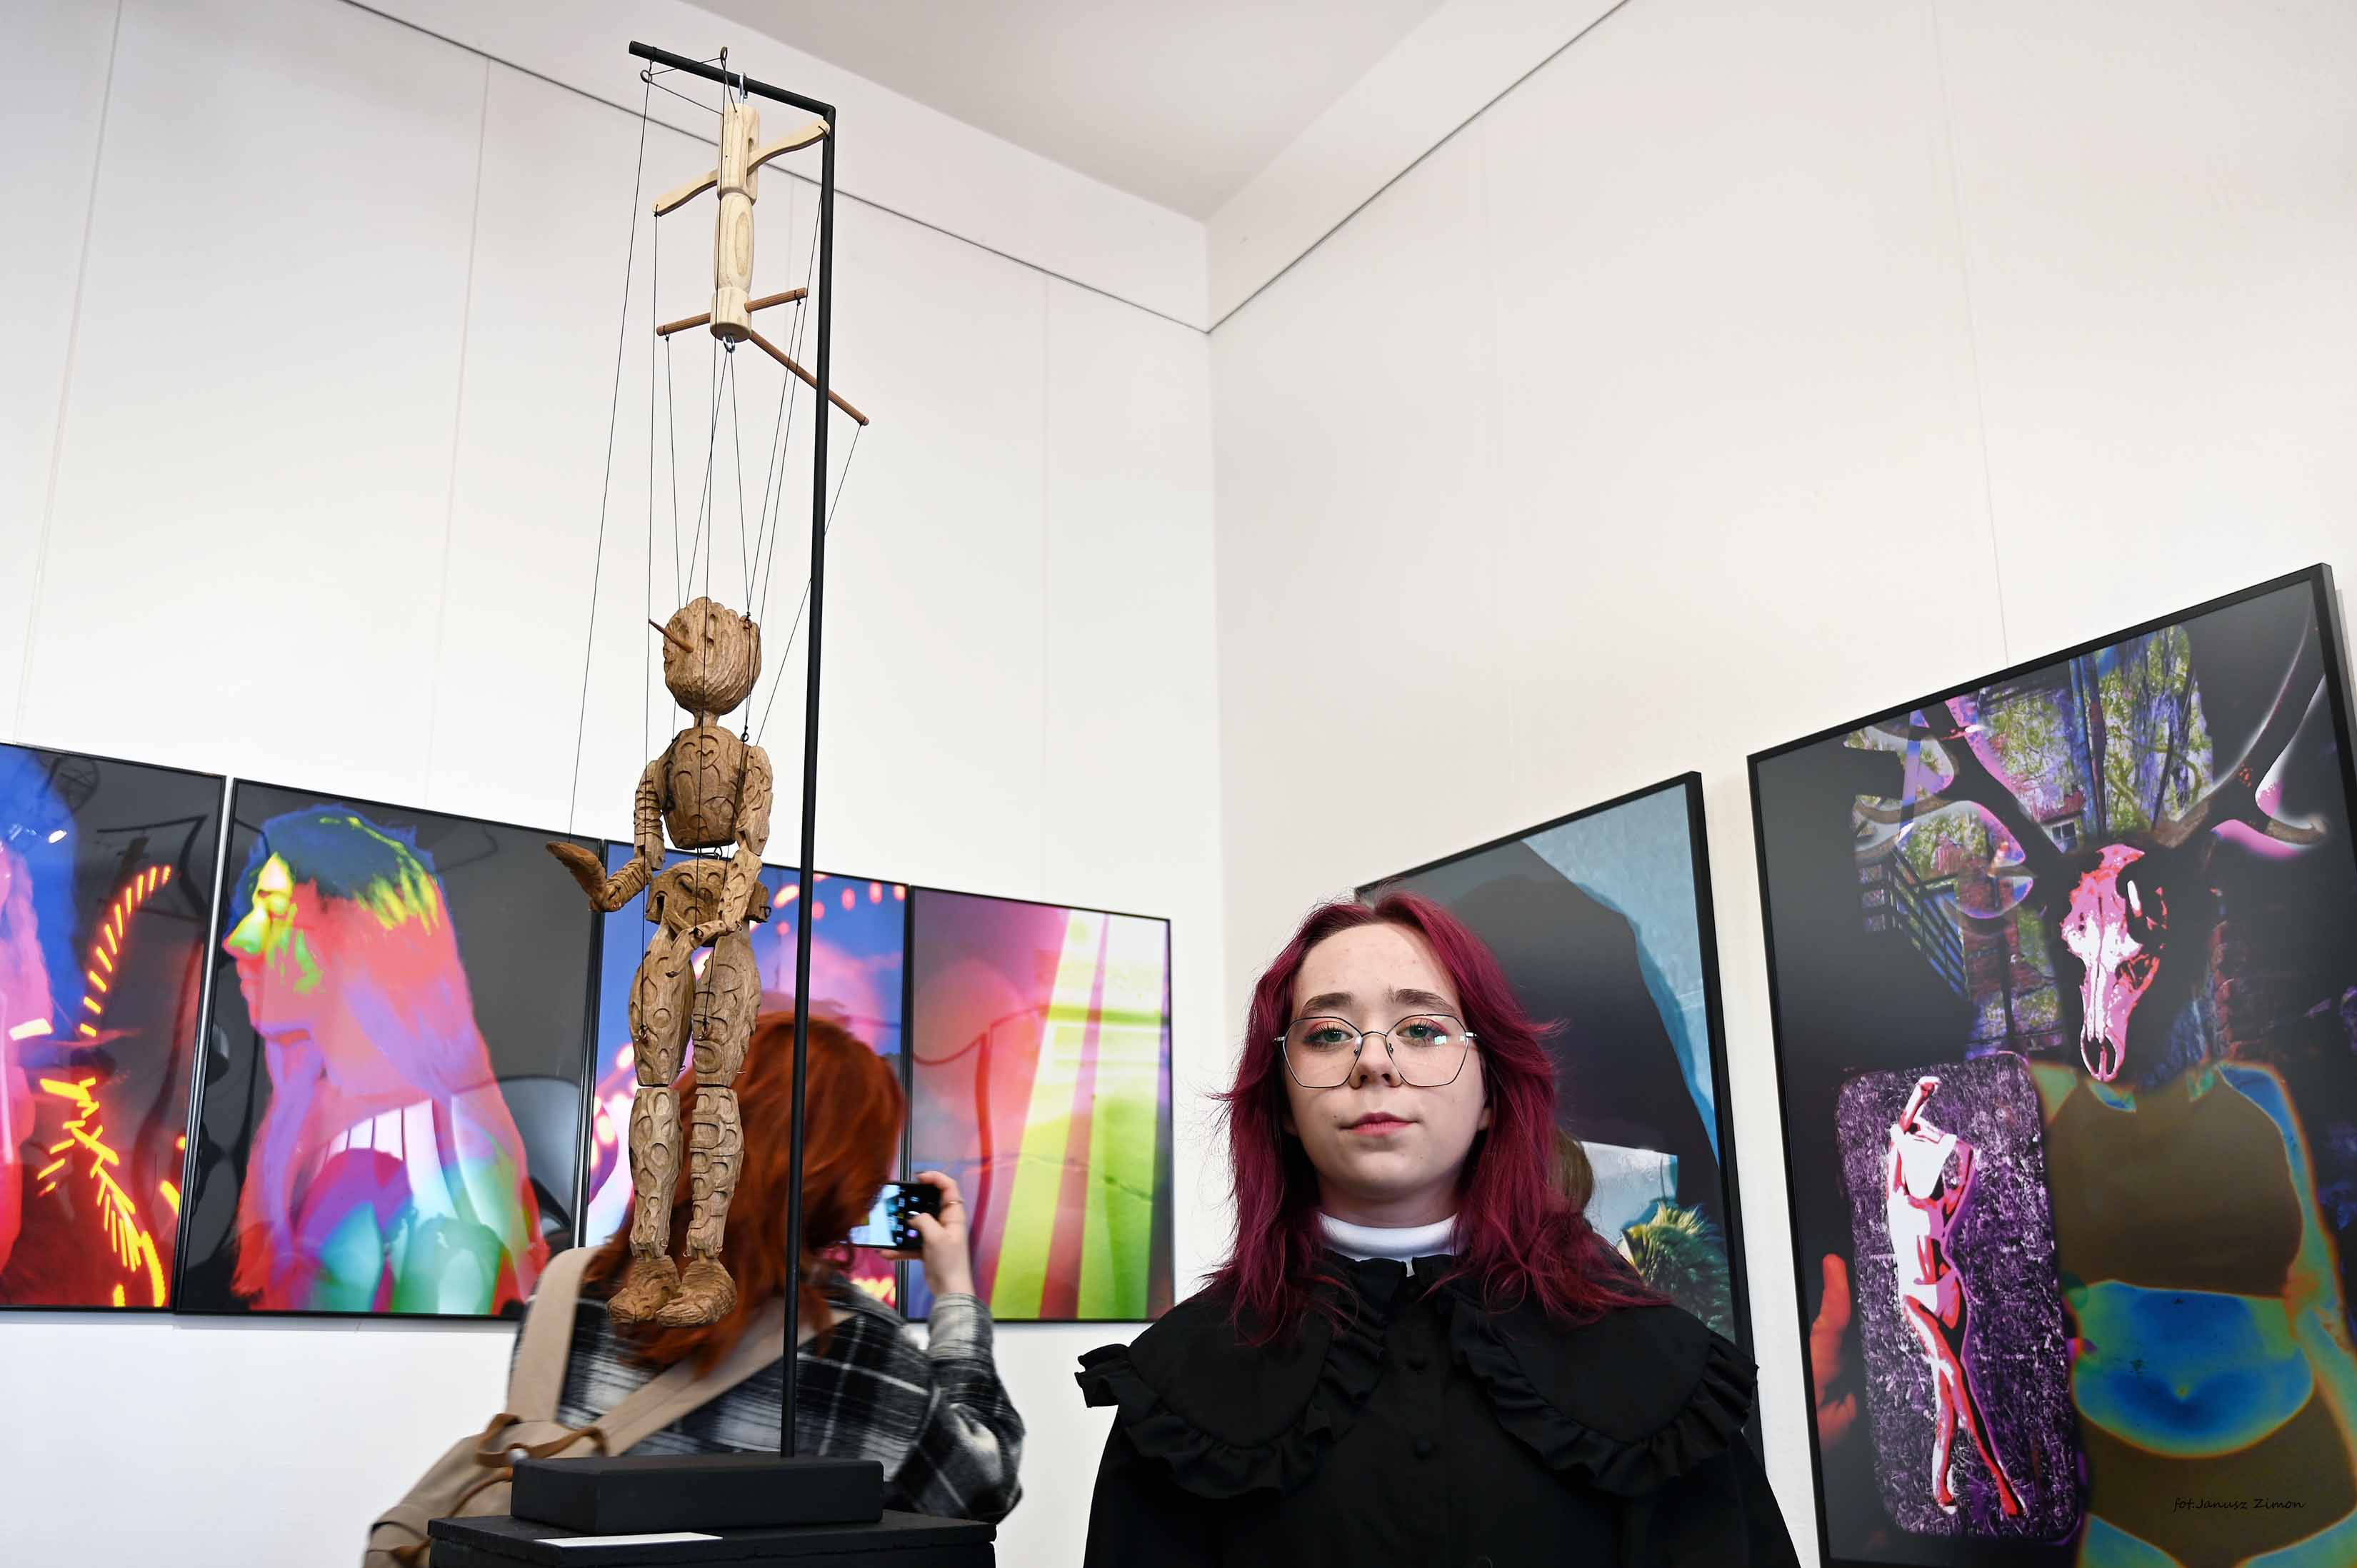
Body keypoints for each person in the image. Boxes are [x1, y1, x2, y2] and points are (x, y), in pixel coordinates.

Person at [1079, 893, 1797, 1565]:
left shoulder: (1652, 1361)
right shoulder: (1181, 1386)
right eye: (1327, 1034)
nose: (1373, 1061)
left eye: (1422, 1029)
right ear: (1282, 1104)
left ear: (1492, 1093)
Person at [549, 1010, 1023, 1523]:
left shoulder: (565, 1293)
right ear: (844, 1181)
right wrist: (954, 1290)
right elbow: (983, 1489)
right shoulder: (855, 1348)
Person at [224, 807, 544, 1313]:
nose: (240, 941)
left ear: (355, 937)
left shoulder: (452, 1160)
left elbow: (441, 1349)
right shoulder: (312, 1116)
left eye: (276, 912)